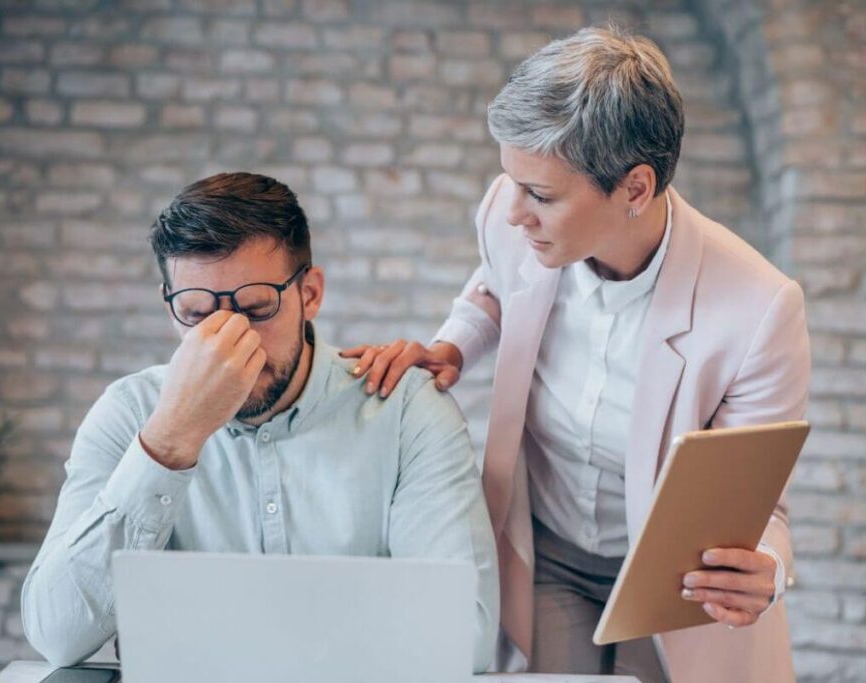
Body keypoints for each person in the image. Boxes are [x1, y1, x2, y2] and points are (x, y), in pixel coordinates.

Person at [344, 26, 810, 683]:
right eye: (511, 182)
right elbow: (491, 287)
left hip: (672, 580)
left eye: (541, 195)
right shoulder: (512, 219)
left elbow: (764, 504)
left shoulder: (759, 309)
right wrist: (455, 345)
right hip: (549, 553)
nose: (512, 212)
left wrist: (768, 566)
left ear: (636, 189)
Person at [21, 172, 499, 672]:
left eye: (256, 307)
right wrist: (169, 442)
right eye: (195, 312)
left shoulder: (406, 410)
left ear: (310, 294)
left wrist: (200, 633)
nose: (231, 342)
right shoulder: (129, 415)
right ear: (170, 307)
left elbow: (466, 637)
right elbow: (58, 634)